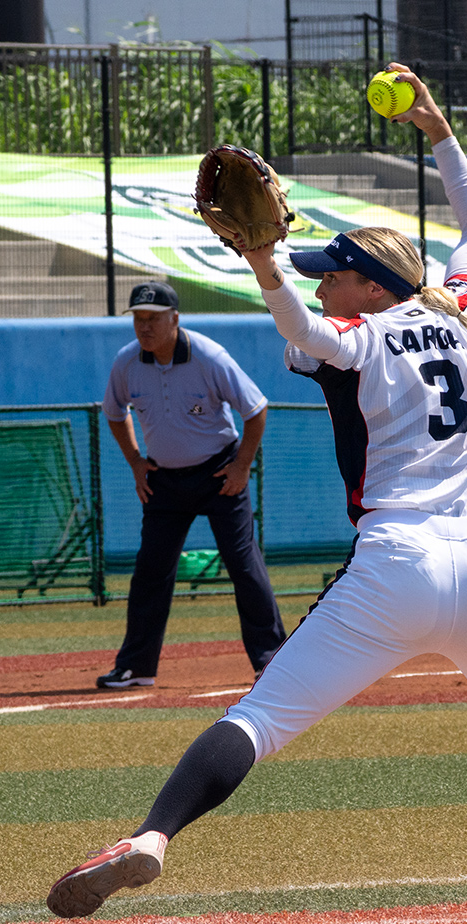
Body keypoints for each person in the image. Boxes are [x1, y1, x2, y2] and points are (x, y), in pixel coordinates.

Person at [49, 66, 467, 924]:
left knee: (261, 716)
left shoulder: (352, 338)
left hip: (398, 566)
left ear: (370, 285)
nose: (322, 282)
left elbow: (307, 330)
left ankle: (152, 839)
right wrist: (437, 130)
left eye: (335, 274)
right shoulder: (462, 307)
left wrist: (264, 266)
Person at [96, 280, 287, 689]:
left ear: (174, 319)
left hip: (219, 474)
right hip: (163, 479)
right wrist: (134, 461)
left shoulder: (207, 356)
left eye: (153, 319)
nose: (144, 327)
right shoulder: (127, 362)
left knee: (243, 564)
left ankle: (271, 660)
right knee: (150, 571)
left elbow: (256, 409)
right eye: (138, 319)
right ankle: (137, 666)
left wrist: (241, 467)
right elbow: (114, 412)